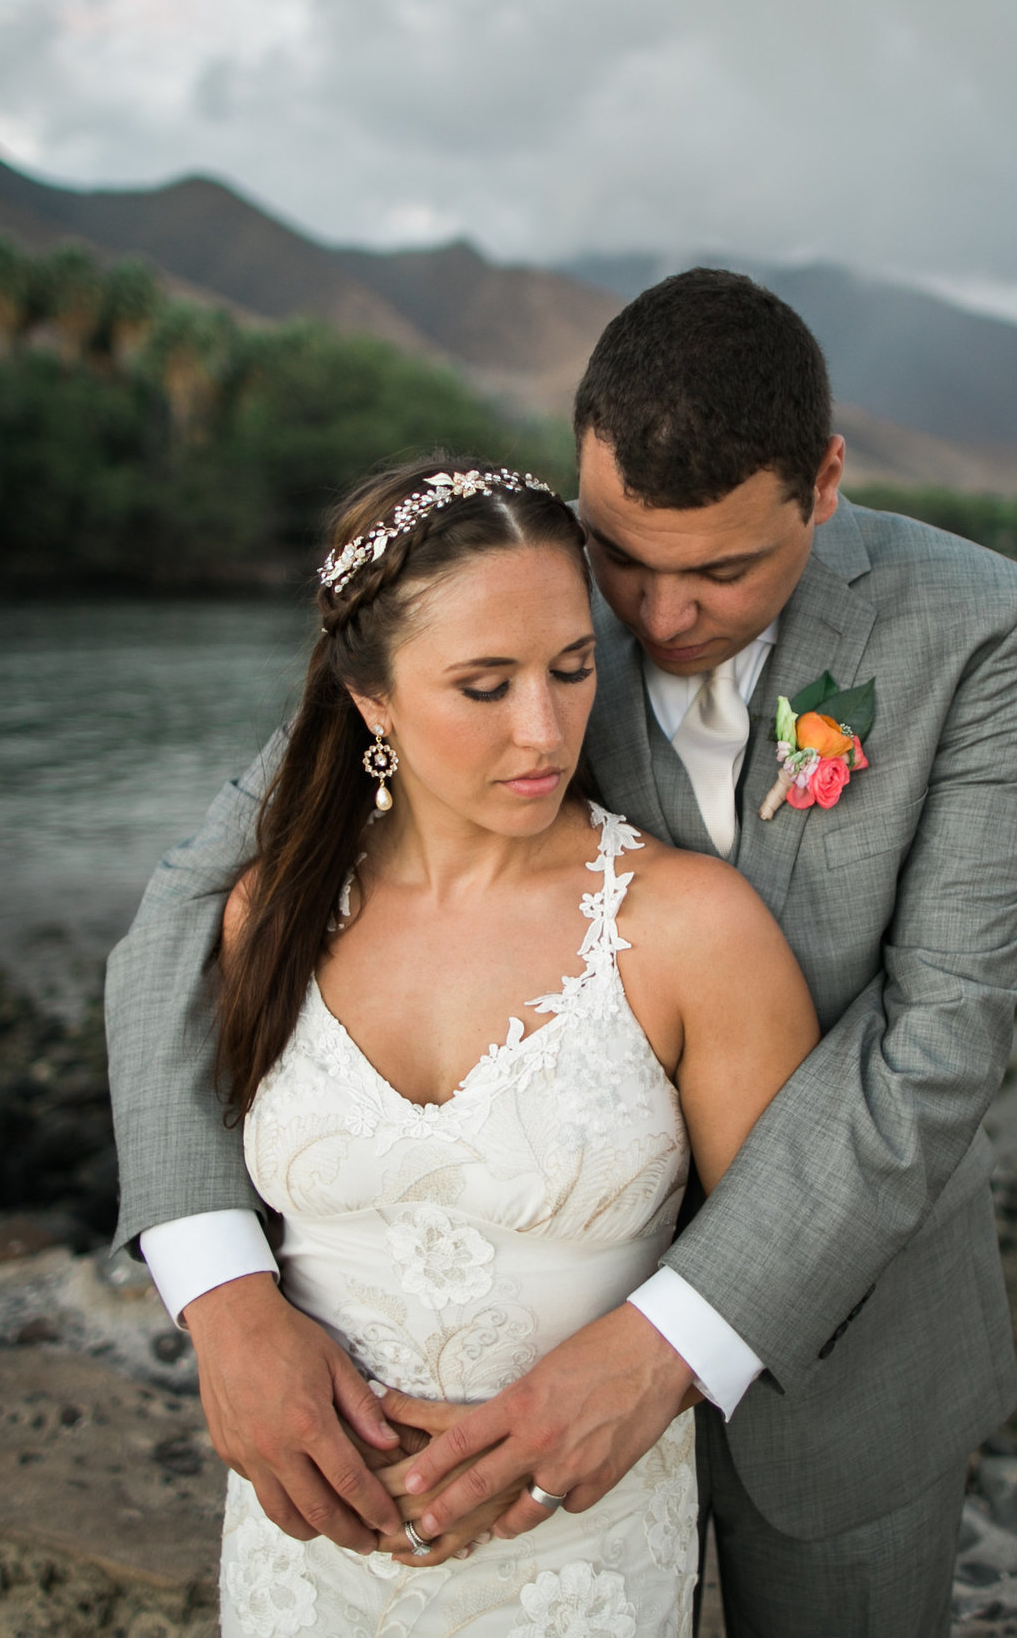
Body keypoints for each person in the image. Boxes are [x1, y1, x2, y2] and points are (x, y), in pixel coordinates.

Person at [110, 268, 1017, 1636]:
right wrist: (222, 1290)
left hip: (849, 1344)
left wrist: (676, 1334)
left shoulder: (974, 628)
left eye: (723, 568)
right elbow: (180, 921)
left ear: (826, 479)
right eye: (627, 558)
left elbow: (945, 1032)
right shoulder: (511, 595)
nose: (658, 619)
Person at [181, 453, 820, 1633]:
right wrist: (231, 1318)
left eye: (573, 668)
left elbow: (785, 1245)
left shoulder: (688, 928)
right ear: (370, 697)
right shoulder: (268, 913)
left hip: (575, 1563)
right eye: (484, 685)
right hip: (304, 1565)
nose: (544, 730)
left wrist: (649, 1381)